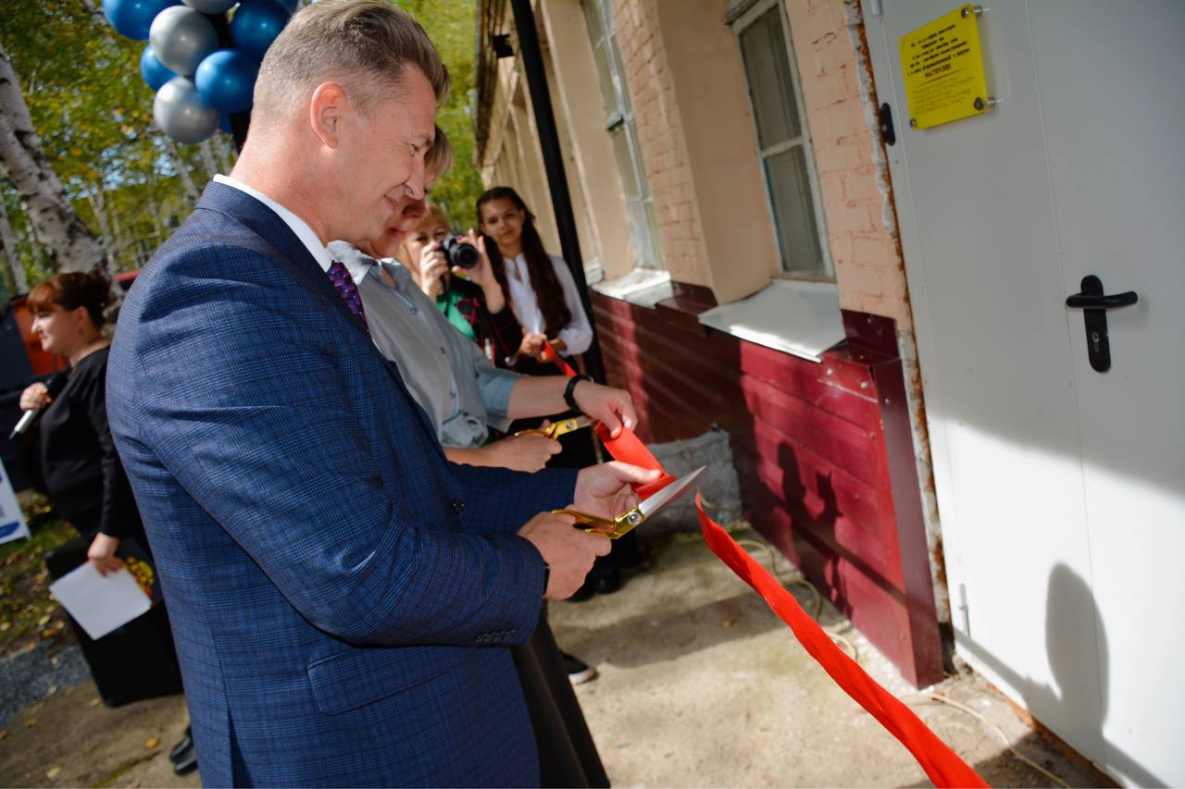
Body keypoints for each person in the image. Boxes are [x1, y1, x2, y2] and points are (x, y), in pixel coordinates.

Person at [105, 3, 655, 786]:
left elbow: (402, 483)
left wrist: (568, 490)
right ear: (329, 114)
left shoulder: (284, 272)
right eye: (413, 146)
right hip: (358, 753)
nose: (418, 181)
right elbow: (353, 569)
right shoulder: (211, 294)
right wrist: (531, 566)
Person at [18, 271, 196, 775]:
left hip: (127, 536)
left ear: (79, 316)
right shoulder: (72, 375)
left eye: (45, 314)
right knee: (160, 634)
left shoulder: (99, 369)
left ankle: (208, 722)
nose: (36, 328)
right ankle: (202, 720)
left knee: (173, 630)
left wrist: (108, 533)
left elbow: (114, 454)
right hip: (112, 534)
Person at [478, 185, 594, 374]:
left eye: (509, 215)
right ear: (484, 228)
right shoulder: (484, 279)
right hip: (514, 378)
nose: (503, 225)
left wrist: (555, 345)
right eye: (493, 220)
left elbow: (582, 329)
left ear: (522, 215)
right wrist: (520, 348)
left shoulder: (554, 266)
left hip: (557, 369)